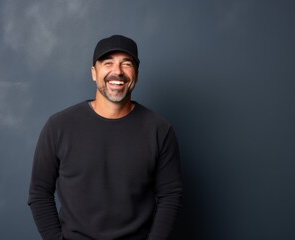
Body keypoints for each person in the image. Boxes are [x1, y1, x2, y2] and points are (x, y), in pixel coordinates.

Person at [28, 35, 183, 240]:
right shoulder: (59, 126)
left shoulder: (159, 130)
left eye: (126, 63)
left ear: (136, 73)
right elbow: (39, 193)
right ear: (94, 72)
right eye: (108, 62)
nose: (117, 71)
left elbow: (170, 196)